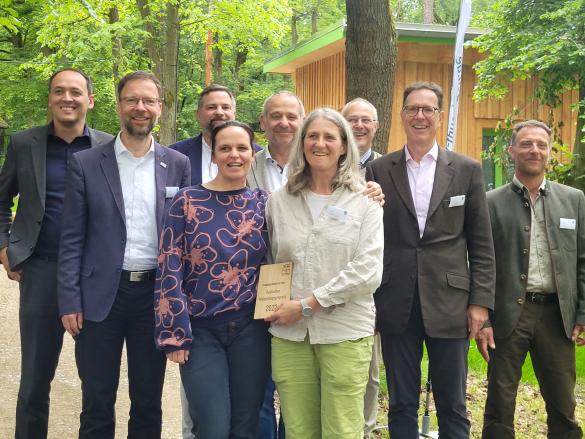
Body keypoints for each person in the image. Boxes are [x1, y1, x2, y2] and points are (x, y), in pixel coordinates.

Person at [57, 71, 191, 438]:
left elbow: (184, 238)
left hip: (154, 298)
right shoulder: (85, 163)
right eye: (132, 100)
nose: (140, 108)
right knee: (97, 400)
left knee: (148, 401)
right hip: (101, 297)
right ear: (119, 106)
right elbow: (71, 239)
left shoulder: (177, 164)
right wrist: (69, 300)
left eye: (148, 101)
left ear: (160, 109)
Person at [366, 81, 495, 439]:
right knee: (402, 403)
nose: (419, 116)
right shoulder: (379, 170)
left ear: (439, 116)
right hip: (396, 301)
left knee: (453, 403)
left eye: (428, 109)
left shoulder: (467, 170)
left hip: (450, 302)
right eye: (412, 109)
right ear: (403, 115)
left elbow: (482, 243)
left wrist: (481, 304)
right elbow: (369, 240)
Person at [0, 68, 112, 438]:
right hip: (42, 272)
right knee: (34, 380)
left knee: (97, 382)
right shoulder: (22, 144)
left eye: (76, 92)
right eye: (59, 91)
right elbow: (1, 201)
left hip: (94, 276)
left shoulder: (109, 147)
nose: (68, 98)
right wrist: (5, 247)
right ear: (49, 98)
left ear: (90, 100)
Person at [265, 108, 384, 439]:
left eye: (329, 137)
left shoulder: (366, 200)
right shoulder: (279, 200)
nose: (320, 144)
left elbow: (368, 271)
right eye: (312, 136)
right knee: (298, 431)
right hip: (289, 336)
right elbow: (273, 260)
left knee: (341, 431)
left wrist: (308, 303)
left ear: (344, 146)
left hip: (345, 332)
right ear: (302, 144)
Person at [155, 120, 270, 439]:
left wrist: (366, 190)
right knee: (213, 428)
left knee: (245, 427)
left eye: (242, 148)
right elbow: (169, 266)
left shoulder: (265, 203)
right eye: (225, 148)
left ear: (253, 153)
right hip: (200, 330)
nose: (234, 155)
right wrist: (174, 332)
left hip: (251, 329)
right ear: (214, 155)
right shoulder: (186, 202)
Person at [479, 120, 585, 439]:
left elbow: (583, 260)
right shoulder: (490, 203)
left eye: (541, 144)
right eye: (526, 144)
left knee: (563, 403)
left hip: (557, 315)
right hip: (509, 315)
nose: (534, 150)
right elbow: (482, 264)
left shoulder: (574, 200)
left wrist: (582, 313)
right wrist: (482, 315)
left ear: (549, 152)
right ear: (511, 151)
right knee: (500, 403)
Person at [341, 97, 383, 438]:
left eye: (364, 120)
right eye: (351, 119)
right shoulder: (323, 166)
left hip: (372, 287)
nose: (358, 125)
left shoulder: (390, 168)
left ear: (376, 126)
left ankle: (365, 432)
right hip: (326, 284)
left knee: (367, 372)